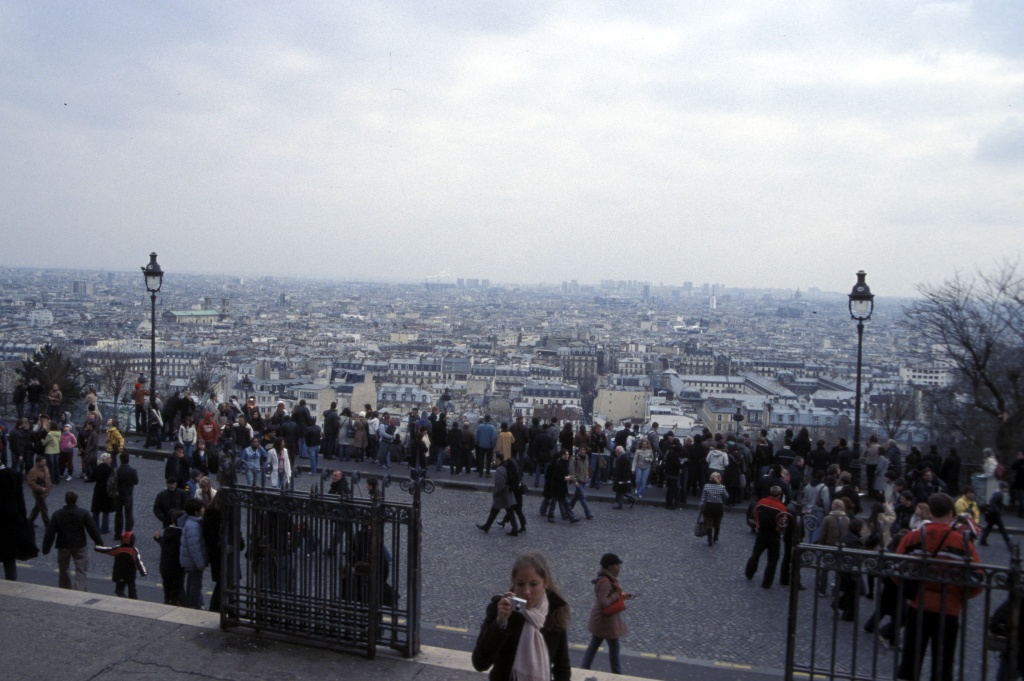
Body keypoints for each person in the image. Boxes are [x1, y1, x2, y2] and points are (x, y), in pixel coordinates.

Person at [896, 493, 982, 681]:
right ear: (951, 513)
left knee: (911, 659)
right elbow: (978, 579)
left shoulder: (915, 537)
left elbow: (896, 568)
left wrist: (909, 587)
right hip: (948, 608)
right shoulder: (961, 542)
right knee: (943, 664)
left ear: (930, 510)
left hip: (918, 604)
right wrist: (959, 596)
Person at [471, 551, 571, 681]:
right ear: (514, 583)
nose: (526, 591)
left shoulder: (554, 612)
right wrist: (500, 624)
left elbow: (562, 668)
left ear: (545, 583)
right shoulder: (501, 610)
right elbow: (480, 663)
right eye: (520, 584)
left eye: (533, 584)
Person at [579, 552, 633, 675]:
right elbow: (604, 602)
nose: (619, 568)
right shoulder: (605, 582)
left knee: (594, 645)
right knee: (614, 648)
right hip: (606, 622)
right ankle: (618, 675)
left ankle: (583, 669)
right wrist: (618, 593)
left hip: (603, 621)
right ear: (610, 567)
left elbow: (608, 598)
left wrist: (623, 595)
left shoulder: (607, 579)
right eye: (617, 565)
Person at [42, 490, 103, 591]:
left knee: (63, 568)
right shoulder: (83, 513)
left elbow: (50, 533)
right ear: (76, 500)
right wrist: (99, 543)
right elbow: (93, 530)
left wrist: (46, 548)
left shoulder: (57, 514)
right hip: (79, 545)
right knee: (81, 569)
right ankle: (80, 589)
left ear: (66, 501)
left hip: (63, 545)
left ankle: (65, 588)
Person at [745, 486, 789, 589]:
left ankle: (749, 572)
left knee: (756, 554)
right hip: (774, 535)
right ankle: (767, 582)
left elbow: (755, 513)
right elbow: (783, 522)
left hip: (762, 532)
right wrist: (779, 529)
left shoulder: (762, 502)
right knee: (772, 560)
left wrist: (758, 525)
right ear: (779, 495)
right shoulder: (781, 507)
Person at [0, 465, 38, 580]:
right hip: (12, 520)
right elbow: (21, 503)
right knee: (9, 557)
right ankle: (12, 582)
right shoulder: (14, 476)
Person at [476, 452, 520, 536]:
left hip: (503, 494)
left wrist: (495, 493)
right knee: (504, 510)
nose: (493, 459)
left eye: (494, 457)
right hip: (508, 492)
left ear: (498, 458)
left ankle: (487, 526)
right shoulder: (505, 466)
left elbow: (500, 485)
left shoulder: (500, 470)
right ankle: (514, 529)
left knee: (498, 510)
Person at [94, 530, 147, 599]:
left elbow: (107, 550)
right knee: (132, 590)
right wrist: (143, 572)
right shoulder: (133, 551)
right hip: (130, 575)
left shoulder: (118, 549)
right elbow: (139, 562)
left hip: (119, 574)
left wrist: (97, 548)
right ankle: (133, 602)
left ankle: (123, 600)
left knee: (119, 590)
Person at [179, 498, 208, 609]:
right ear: (196, 512)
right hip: (193, 562)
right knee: (195, 584)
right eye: (202, 508)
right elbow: (194, 548)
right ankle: (194, 605)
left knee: (191, 582)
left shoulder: (190, 523)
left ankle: (192, 603)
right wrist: (200, 563)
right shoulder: (194, 526)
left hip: (189, 561)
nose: (204, 509)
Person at [153, 508, 185, 605]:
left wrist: (158, 539)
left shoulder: (167, 532)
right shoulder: (181, 534)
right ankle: (175, 602)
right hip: (177, 567)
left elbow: (164, 545)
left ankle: (167, 601)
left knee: (167, 586)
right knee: (177, 587)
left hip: (165, 566)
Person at [698, 471, 729, 546]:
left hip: (709, 507)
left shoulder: (706, 486)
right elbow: (727, 496)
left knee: (709, 523)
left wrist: (701, 507)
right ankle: (715, 537)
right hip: (718, 507)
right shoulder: (722, 487)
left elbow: (703, 498)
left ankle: (709, 539)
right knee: (717, 523)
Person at [981, 481, 1013, 549]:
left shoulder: (998, 493)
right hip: (995, 515)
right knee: (1002, 529)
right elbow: (992, 502)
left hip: (993, 514)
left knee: (989, 527)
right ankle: (1009, 543)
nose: (1007, 489)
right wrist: (997, 510)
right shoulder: (999, 494)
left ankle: (983, 540)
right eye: (1006, 488)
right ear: (1002, 488)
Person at [113, 452, 139, 536]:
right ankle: (128, 533)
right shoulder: (132, 470)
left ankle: (117, 533)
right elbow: (136, 481)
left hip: (118, 495)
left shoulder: (116, 470)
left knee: (118, 514)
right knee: (128, 514)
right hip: (128, 494)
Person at [90, 453, 116, 534]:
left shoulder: (98, 467)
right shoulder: (109, 469)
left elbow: (92, 477)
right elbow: (113, 481)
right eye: (109, 458)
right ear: (106, 459)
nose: (111, 460)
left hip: (98, 490)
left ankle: (95, 527)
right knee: (106, 511)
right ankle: (105, 529)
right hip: (106, 492)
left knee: (96, 510)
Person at [26, 454, 52, 528]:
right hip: (39, 493)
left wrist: (50, 485)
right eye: (43, 462)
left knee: (37, 508)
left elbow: (48, 477)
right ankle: (48, 525)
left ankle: (29, 522)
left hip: (45, 491)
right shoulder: (33, 471)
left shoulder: (46, 468)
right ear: (37, 462)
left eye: (45, 461)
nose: (44, 463)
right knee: (44, 509)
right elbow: (31, 483)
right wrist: (40, 488)